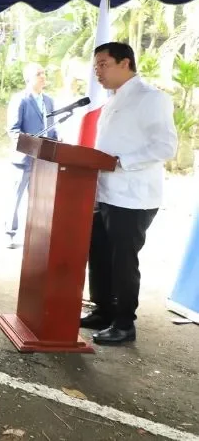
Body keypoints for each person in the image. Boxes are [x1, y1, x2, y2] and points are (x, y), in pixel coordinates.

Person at [81, 42, 177, 345]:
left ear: (126, 63)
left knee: (123, 260)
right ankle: (104, 310)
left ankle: (124, 323)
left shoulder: (151, 98)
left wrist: (121, 163)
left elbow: (165, 147)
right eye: (96, 65)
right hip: (106, 192)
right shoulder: (113, 99)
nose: (98, 71)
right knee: (99, 255)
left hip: (134, 197)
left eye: (104, 64)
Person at [5, 63, 56, 248]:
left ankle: (34, 234)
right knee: (16, 197)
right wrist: (31, 147)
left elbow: (52, 128)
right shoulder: (20, 99)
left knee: (39, 199)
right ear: (28, 78)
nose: (43, 76)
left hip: (43, 161)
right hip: (23, 159)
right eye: (38, 74)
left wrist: (56, 144)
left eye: (44, 72)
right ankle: (10, 233)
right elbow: (13, 130)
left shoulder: (49, 101)